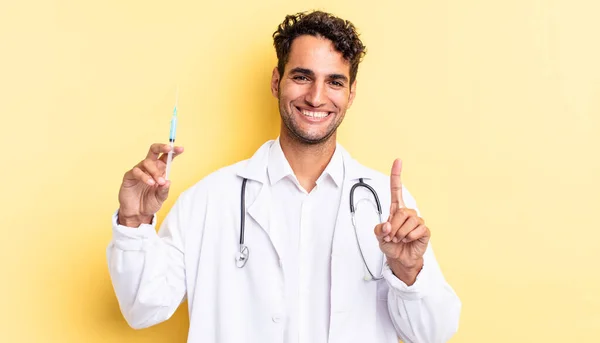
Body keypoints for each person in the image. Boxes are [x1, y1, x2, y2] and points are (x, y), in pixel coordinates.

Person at [107, 10, 461, 343]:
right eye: (302, 76)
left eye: (334, 82)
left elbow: (432, 333)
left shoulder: (386, 204)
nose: (316, 97)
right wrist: (135, 222)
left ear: (351, 94)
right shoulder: (208, 200)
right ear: (277, 81)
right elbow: (143, 307)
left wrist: (409, 271)